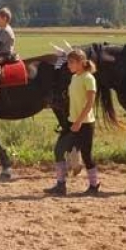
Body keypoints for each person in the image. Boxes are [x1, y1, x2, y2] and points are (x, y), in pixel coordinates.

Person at [45, 49, 101, 197]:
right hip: (71, 122)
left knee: (87, 156)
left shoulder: (89, 78)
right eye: (68, 62)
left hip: (85, 124)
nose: (68, 65)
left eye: (71, 62)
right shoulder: (74, 77)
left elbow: (90, 103)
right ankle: (61, 185)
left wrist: (79, 122)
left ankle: (94, 185)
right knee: (59, 150)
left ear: (81, 63)